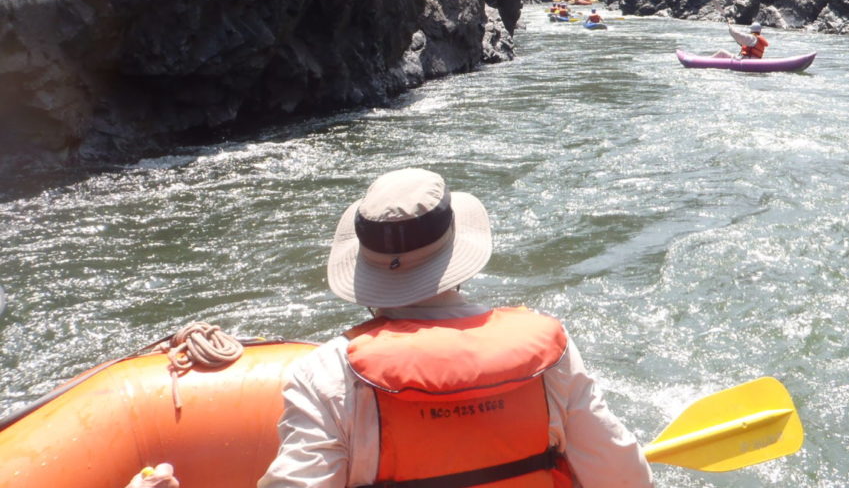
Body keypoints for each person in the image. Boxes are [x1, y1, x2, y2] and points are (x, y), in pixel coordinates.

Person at [124, 168, 656, 487]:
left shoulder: (328, 374)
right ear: (456, 250)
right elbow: (624, 477)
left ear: (363, 262)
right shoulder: (550, 353)